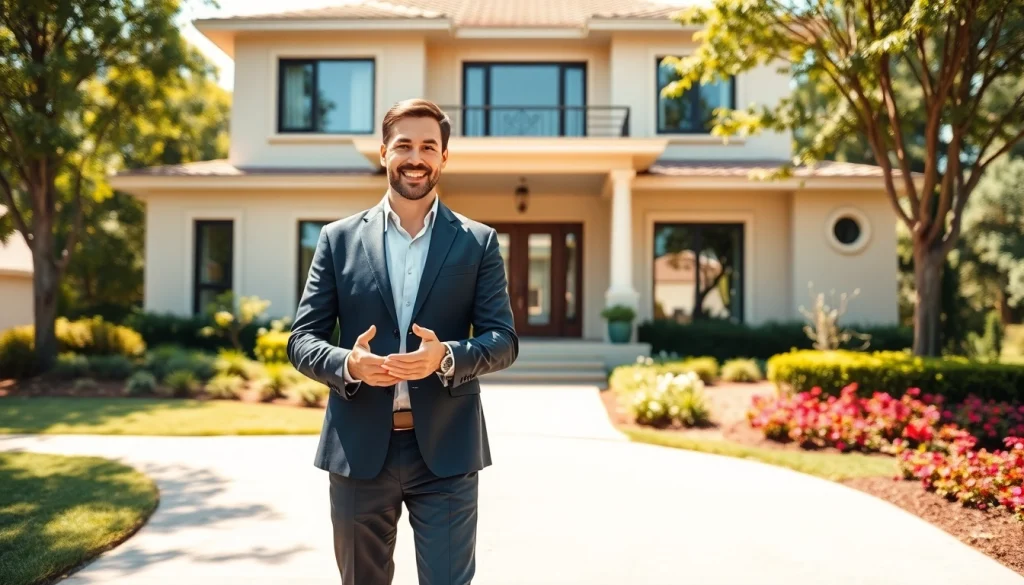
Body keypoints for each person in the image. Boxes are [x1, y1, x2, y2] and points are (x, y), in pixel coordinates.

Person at [287, 97, 519, 585]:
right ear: (384, 153)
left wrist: (449, 356)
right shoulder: (338, 239)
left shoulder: (477, 242)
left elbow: (503, 340)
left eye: (428, 147)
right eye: (404, 145)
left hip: (448, 452)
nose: (416, 157)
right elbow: (303, 339)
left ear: (444, 157)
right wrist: (349, 364)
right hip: (358, 452)